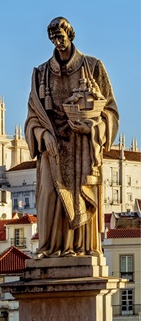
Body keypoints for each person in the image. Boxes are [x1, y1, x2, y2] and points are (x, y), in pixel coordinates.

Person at [25, 17, 118, 257]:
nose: (57, 43)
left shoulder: (93, 67)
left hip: (82, 145)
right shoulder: (41, 73)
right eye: (53, 39)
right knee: (48, 192)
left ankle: (80, 248)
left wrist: (93, 128)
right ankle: (50, 248)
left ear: (71, 36)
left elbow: (110, 111)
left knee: (79, 196)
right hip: (52, 144)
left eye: (61, 38)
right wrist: (43, 134)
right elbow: (33, 116)